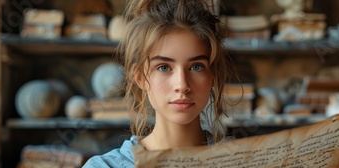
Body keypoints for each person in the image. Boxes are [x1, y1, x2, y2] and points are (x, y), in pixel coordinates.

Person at [83, 0, 237, 167]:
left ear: (212, 74)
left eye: (196, 66)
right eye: (164, 67)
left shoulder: (240, 161)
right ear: (140, 77)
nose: (182, 84)